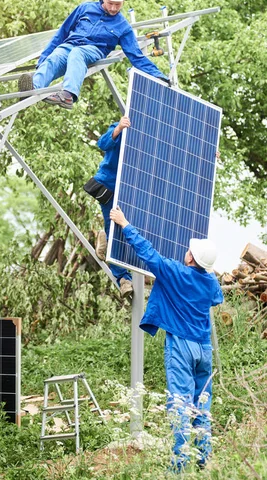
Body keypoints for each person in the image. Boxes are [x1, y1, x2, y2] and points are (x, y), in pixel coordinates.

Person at [110, 205, 223, 471]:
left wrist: (124, 223)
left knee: (181, 404)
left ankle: (179, 466)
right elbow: (218, 297)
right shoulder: (211, 284)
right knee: (201, 406)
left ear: (191, 258)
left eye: (190, 251)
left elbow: (148, 254)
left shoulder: (176, 272)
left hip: (181, 347)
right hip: (203, 349)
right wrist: (208, 272)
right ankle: (204, 460)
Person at [18, 0, 168, 110]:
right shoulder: (85, 8)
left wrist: (158, 76)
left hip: (93, 50)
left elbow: (136, 56)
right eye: (110, 3)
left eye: (118, 4)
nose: (114, 8)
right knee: (56, 55)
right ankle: (34, 88)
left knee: (78, 54)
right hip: (70, 45)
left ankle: (68, 95)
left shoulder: (123, 26)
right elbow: (61, 34)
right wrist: (42, 60)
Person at [88, 116, 133, 298]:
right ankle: (124, 279)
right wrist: (119, 129)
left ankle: (105, 241)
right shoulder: (122, 124)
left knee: (129, 229)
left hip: (131, 190)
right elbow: (103, 143)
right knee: (115, 225)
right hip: (110, 186)